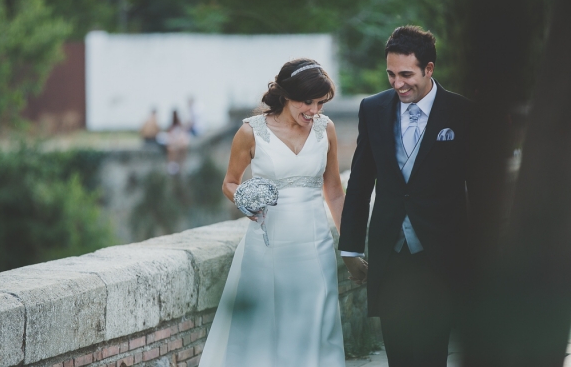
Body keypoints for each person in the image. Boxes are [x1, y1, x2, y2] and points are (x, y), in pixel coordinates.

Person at [339, 26, 478, 367]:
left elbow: (481, 187)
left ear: (428, 69)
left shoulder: (462, 112)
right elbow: (360, 181)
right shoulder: (372, 109)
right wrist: (351, 247)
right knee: (399, 356)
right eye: (391, 74)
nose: (397, 83)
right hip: (392, 252)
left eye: (406, 74)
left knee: (432, 355)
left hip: (441, 254)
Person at [199, 58, 346, 367]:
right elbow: (229, 182)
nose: (315, 110)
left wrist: (350, 246)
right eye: (307, 102)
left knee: (315, 331)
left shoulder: (325, 129)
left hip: (315, 248)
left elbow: (333, 190)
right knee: (263, 335)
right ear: (286, 96)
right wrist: (244, 199)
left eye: (320, 103)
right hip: (267, 249)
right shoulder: (251, 133)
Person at [166, 109, 190, 175]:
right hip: (177, 144)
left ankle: (176, 165)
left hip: (178, 144)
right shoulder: (177, 126)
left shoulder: (175, 127)